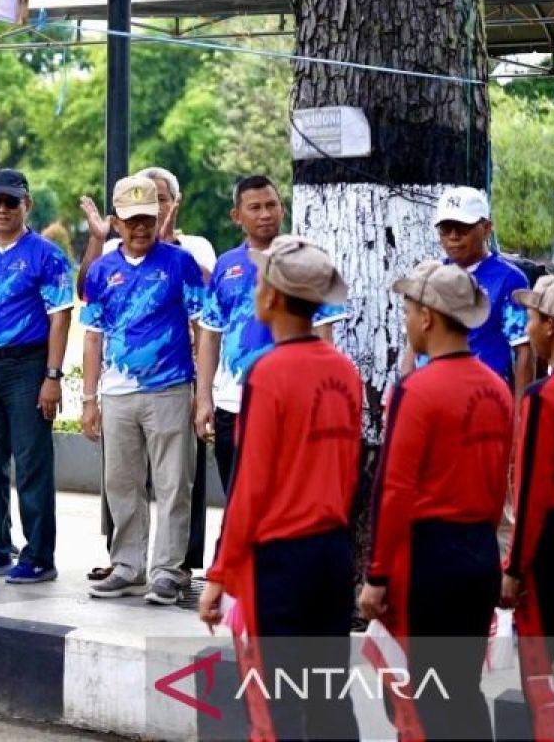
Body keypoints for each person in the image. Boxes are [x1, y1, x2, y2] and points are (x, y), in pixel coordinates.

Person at [197, 236, 361, 741]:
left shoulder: (268, 373)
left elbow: (250, 484)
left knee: (280, 703)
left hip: (283, 560)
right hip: (333, 554)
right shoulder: (345, 371)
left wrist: (221, 573)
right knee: (331, 697)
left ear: (271, 297)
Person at [359, 260, 512, 740]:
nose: (405, 320)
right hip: (480, 555)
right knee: (464, 689)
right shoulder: (498, 390)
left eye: (408, 309)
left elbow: (396, 487)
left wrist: (377, 575)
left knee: (428, 697)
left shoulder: (417, 390)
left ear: (427, 316)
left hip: (431, 560)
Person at [76, 166, 215, 583]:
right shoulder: (102, 270)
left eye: (147, 219)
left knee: (174, 484)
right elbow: (92, 338)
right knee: (121, 484)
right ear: (116, 221)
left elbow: (203, 328)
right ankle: (128, 565)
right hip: (117, 395)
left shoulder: (181, 263)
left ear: (159, 218)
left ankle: (168, 570)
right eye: (131, 219)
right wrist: (88, 399)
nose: (140, 227)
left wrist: (201, 393)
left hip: (170, 389)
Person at [0, 168, 73, 584]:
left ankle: (39, 556)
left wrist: (52, 377)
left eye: (11, 202)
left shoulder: (45, 254)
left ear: (27, 205)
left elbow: (60, 319)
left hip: (28, 364)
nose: (2, 210)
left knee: (32, 462)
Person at [193, 175, 345, 494]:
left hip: (290, 405)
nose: (265, 214)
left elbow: (324, 332)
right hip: (232, 404)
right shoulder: (226, 266)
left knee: (285, 498)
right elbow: (209, 335)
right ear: (237, 216)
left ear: (283, 209)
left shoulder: (306, 261)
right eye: (255, 207)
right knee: (238, 498)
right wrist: (204, 397)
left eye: (271, 205)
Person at [500, 274, 554, 740]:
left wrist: (514, 568)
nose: (529, 325)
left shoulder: (544, 398)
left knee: (543, 682)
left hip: (552, 549)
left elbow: (532, 493)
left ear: (552, 326)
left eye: (533, 317)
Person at [401, 186, 531, 399]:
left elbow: (524, 352)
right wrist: (403, 390)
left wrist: (520, 418)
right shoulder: (432, 275)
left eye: (462, 228)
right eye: (445, 228)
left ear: (486, 228)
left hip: (485, 400)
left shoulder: (509, 280)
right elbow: (413, 347)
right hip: (431, 397)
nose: (453, 236)